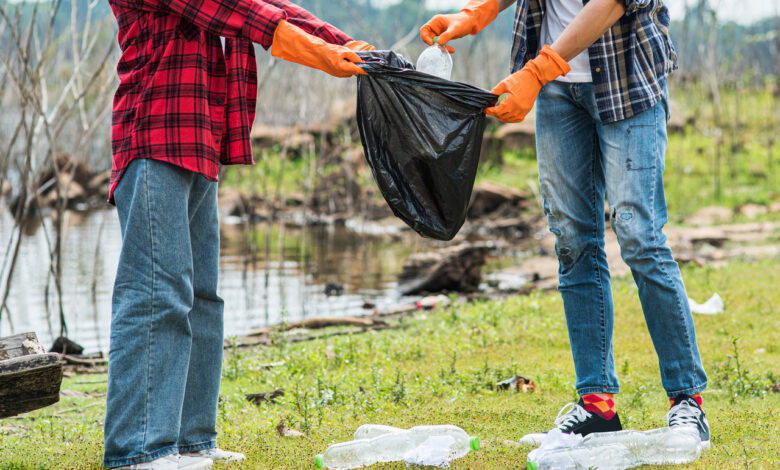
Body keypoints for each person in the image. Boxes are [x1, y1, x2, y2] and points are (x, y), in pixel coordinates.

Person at [421, 0, 709, 448]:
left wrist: (536, 72)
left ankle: (686, 401)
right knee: (573, 242)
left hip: (626, 80)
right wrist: (474, 14)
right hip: (557, 92)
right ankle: (597, 406)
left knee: (639, 237)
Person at [104, 1, 373, 469]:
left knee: (202, 298)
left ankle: (191, 442)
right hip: (153, 132)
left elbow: (266, 3)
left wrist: (341, 42)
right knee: (155, 295)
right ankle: (140, 450)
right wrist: (313, 50)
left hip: (199, 135)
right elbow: (232, 8)